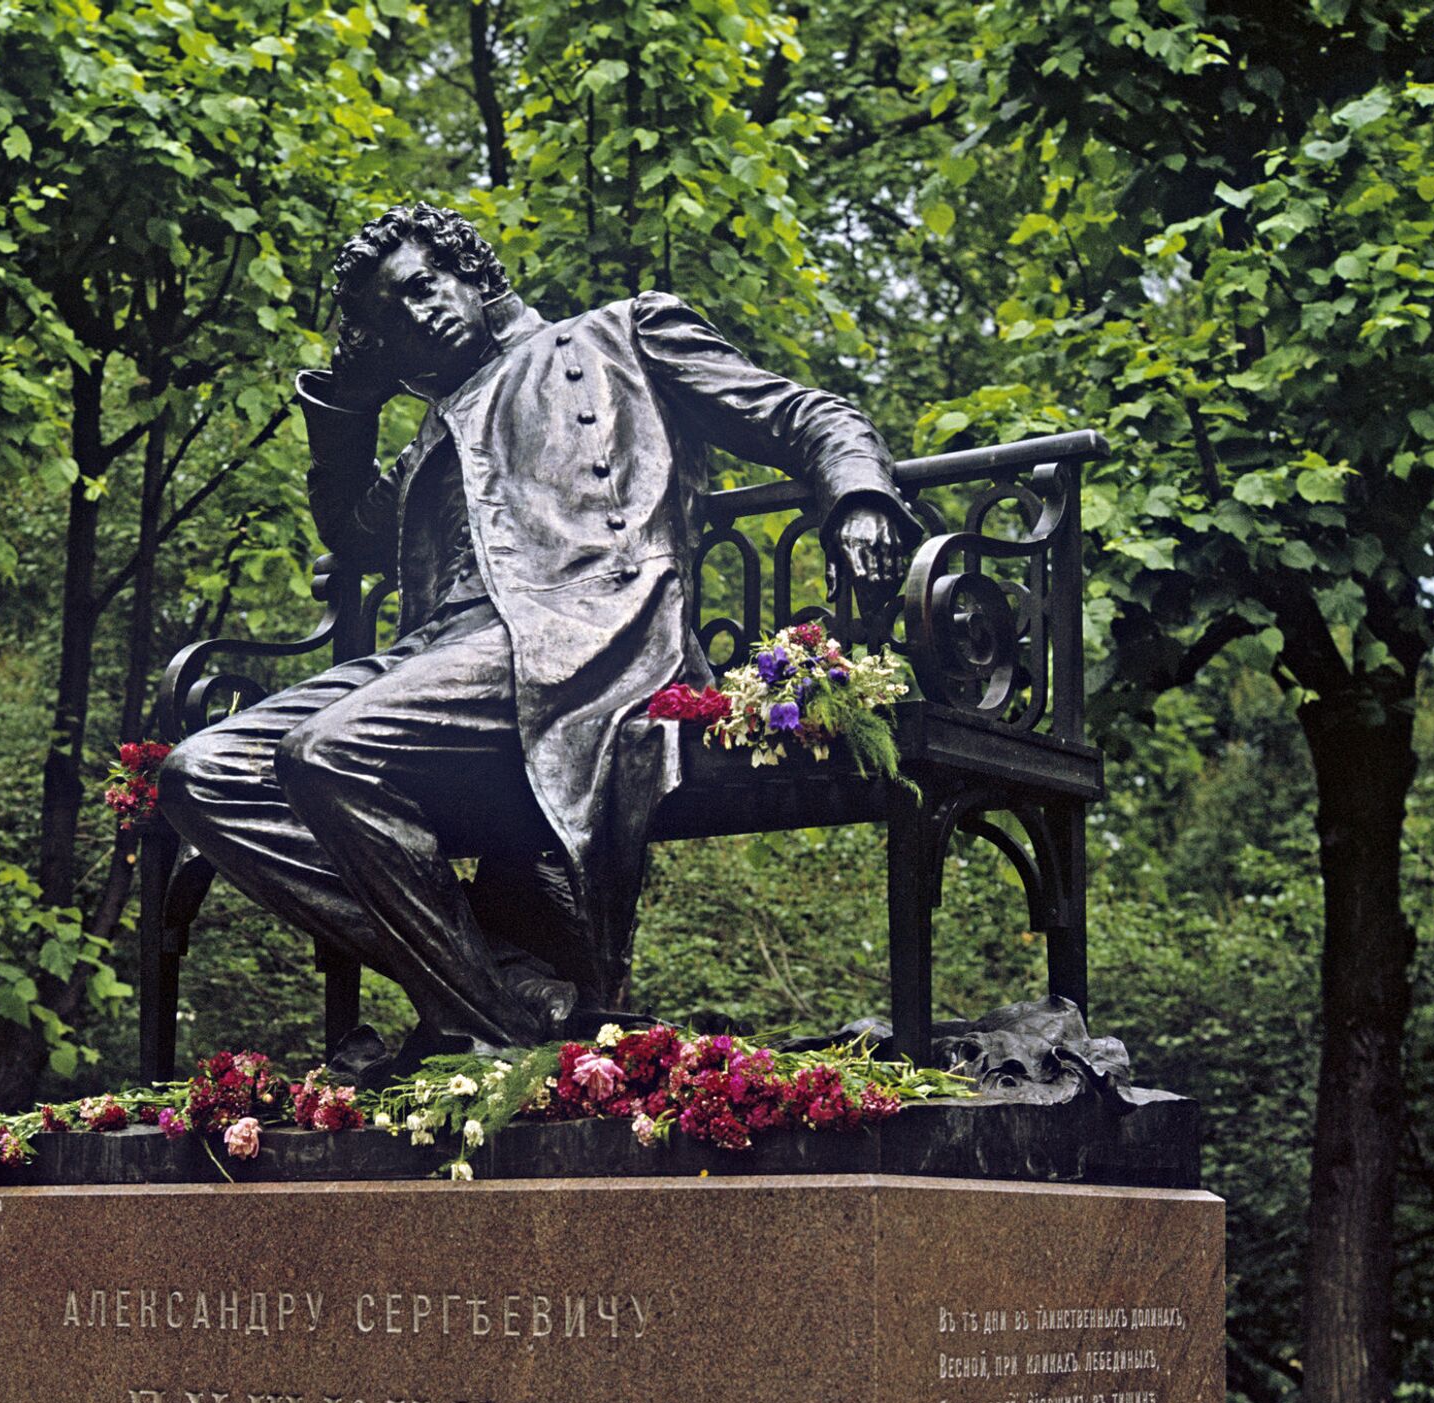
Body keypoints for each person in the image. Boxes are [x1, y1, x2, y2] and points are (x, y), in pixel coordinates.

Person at [157, 203, 913, 1071]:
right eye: (392, 317)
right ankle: (499, 989)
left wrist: (859, 496)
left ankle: (481, 1027)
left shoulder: (622, 336)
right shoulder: (432, 439)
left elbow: (800, 414)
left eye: (424, 286)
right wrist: (345, 401)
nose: (419, 314)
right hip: (435, 657)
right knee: (201, 772)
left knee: (329, 753)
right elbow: (355, 536)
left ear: (471, 271)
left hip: (579, 641)